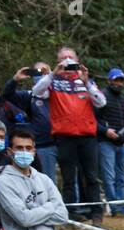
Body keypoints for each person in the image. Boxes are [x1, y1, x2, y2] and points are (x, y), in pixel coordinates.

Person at [32, 54, 106, 221]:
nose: (68, 69)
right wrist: (52, 74)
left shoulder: (86, 82)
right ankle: (70, 214)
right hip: (64, 137)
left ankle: (96, 213)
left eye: (72, 65)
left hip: (87, 137)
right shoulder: (54, 83)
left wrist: (86, 81)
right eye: (65, 66)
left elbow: (102, 102)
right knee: (68, 178)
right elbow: (36, 92)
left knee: (91, 176)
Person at [3, 62, 57, 179]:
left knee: (72, 182)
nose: (40, 75)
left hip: (64, 142)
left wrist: (53, 77)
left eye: (43, 72)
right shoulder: (30, 96)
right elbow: (7, 96)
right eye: (36, 72)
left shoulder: (59, 92)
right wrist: (15, 80)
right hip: (44, 145)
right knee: (48, 179)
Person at [96, 68, 124, 216]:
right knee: (109, 177)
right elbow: (93, 120)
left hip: (121, 144)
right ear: (109, 80)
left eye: (121, 80)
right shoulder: (101, 97)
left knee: (122, 177)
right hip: (105, 142)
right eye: (116, 80)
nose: (119, 83)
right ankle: (114, 208)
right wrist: (105, 131)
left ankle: (122, 207)